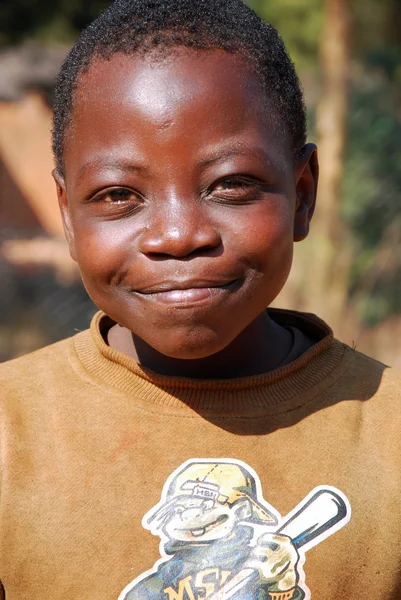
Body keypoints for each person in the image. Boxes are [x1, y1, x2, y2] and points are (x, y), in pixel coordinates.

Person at [0, 0, 400, 599]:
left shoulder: (387, 433)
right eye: (118, 195)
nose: (179, 235)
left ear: (303, 194)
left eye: (232, 184)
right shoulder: (11, 431)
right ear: (66, 214)